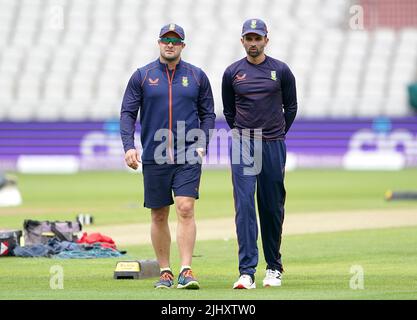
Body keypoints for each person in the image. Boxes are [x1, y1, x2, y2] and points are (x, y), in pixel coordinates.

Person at [120, 23, 216, 289]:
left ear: (183, 45)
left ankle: (186, 269)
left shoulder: (197, 76)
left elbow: (208, 113)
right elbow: (127, 113)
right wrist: (129, 145)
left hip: (188, 152)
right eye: (165, 40)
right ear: (159, 42)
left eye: (175, 41)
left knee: (186, 207)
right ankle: (165, 271)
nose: (170, 44)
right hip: (155, 153)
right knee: (159, 214)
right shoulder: (142, 75)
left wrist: (202, 142)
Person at [222, 18, 298, 289]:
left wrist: (275, 133)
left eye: (258, 38)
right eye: (248, 38)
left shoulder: (281, 70)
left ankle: (274, 267)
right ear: (242, 40)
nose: (253, 43)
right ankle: (246, 272)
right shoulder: (232, 72)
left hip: (273, 143)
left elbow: (291, 107)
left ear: (267, 39)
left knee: (271, 205)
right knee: (244, 205)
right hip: (244, 142)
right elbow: (229, 112)